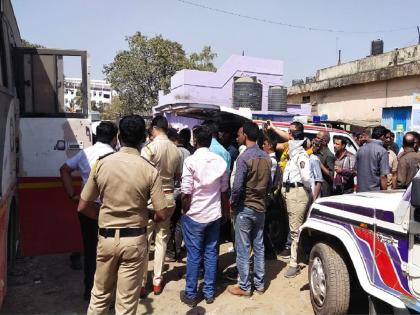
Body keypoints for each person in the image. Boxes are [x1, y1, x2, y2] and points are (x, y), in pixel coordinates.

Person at [78, 115, 168, 315]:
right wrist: (148, 214)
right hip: (134, 241)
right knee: (126, 303)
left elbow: (83, 207)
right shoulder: (149, 170)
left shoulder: (102, 164)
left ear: (118, 137)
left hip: (106, 238)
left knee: (99, 296)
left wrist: (104, 217)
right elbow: (162, 214)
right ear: (143, 139)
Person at [59, 121, 118, 300]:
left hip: (88, 209)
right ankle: (106, 293)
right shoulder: (115, 155)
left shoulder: (85, 153)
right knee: (110, 252)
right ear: (115, 137)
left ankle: (89, 291)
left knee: (90, 250)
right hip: (110, 210)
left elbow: (64, 170)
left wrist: (72, 195)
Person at [179, 125, 229, 307]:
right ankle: (208, 292)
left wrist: (185, 211)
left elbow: (186, 192)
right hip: (214, 214)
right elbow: (224, 191)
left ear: (195, 141)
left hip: (194, 215)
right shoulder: (220, 161)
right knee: (210, 253)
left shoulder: (190, 161)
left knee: (194, 255)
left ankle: (191, 293)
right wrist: (226, 212)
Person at [228, 122, 272, 297]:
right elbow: (269, 185)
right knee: (259, 246)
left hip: (245, 208)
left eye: (239, 134)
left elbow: (237, 187)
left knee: (243, 247)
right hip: (260, 208)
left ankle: (245, 286)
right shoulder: (267, 158)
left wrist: (232, 202)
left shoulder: (244, 158)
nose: (238, 137)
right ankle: (260, 284)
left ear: (245, 135)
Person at [140, 115, 181, 295]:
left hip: (150, 199)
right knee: (162, 239)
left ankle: (142, 283)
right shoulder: (176, 150)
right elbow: (177, 176)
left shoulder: (148, 149)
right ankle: (157, 281)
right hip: (169, 198)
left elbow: (141, 176)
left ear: (154, 128)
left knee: (144, 241)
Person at [281, 121, 311, 278]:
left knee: (295, 229)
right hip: (290, 192)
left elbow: (306, 177)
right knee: (294, 226)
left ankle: (294, 263)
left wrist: (305, 189)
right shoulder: (294, 153)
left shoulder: (301, 155)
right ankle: (297, 257)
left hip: (297, 192)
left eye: (289, 132)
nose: (288, 134)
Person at [356, 126, 389, 192]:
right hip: (374, 192)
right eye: (386, 137)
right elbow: (383, 176)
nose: (387, 140)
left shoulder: (360, 149)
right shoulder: (382, 151)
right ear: (382, 137)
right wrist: (385, 193)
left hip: (360, 191)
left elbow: (356, 170)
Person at [314, 131, 335, 197]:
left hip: (323, 190)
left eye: (318, 138)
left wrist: (320, 164)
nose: (315, 139)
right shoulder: (316, 151)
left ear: (324, 141)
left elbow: (331, 175)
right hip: (314, 186)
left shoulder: (329, 155)